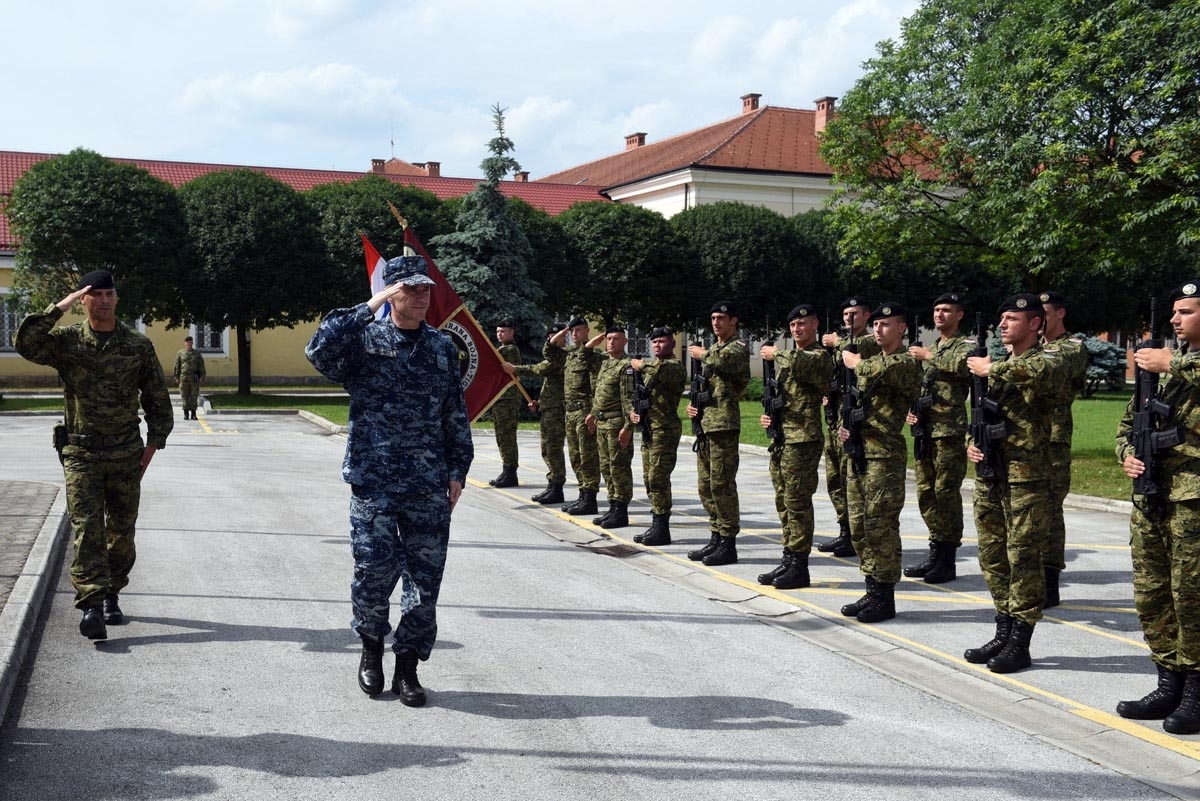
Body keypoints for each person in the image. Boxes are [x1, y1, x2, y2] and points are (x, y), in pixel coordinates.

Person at [305, 255, 473, 706]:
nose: (421, 297)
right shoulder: (364, 342)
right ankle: (371, 649)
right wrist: (370, 304)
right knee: (373, 574)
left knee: (424, 581)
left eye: (426, 290)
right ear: (392, 292)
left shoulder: (441, 348)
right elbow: (318, 349)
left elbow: (454, 414)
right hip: (374, 481)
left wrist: (458, 469)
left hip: (426, 484)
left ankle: (408, 668)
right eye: (411, 289)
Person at [14, 269, 173, 641]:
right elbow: (26, 343)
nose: (103, 300)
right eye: (95, 294)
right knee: (87, 529)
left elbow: (156, 399)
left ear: (117, 299)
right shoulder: (67, 342)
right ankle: (90, 605)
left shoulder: (136, 345)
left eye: (109, 294)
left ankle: (111, 591)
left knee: (121, 533)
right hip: (80, 452)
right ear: (84, 300)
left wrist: (152, 447)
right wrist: (60, 305)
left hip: (125, 452)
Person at [1115, 279, 1200, 734]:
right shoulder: (1160, 371)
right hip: (1152, 497)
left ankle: (1195, 692)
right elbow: (1127, 424)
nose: (1174, 319)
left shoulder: (1176, 364)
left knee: (1193, 596)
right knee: (1153, 594)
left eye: (1185, 311)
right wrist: (1126, 453)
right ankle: (1168, 680)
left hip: (1195, 500)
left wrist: (1176, 362)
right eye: (1174, 312)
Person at [963, 293, 1064, 674]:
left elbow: (1044, 375)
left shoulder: (1049, 359)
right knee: (993, 556)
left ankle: (1021, 642)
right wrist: (972, 443)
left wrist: (992, 371)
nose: (1003, 324)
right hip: (992, 473)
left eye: (1012, 318)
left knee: (1023, 558)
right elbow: (975, 413)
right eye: (1001, 318)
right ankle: (1002, 630)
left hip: (1026, 476)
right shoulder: (1000, 364)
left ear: (1035, 324)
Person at [837, 302, 920, 622]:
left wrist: (856, 363)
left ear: (902, 329)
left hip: (884, 455)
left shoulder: (905, 362)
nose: (878, 329)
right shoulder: (873, 362)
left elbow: (878, 371)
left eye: (887, 325)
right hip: (859, 450)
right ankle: (871, 587)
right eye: (877, 324)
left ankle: (885, 595)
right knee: (859, 526)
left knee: (880, 525)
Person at [757, 305, 835, 589]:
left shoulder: (819, 356)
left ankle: (800, 565)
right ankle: (788, 557)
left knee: (798, 503)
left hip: (803, 439)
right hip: (783, 438)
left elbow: (801, 362)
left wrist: (773, 353)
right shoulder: (791, 360)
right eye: (793, 326)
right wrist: (770, 415)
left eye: (802, 324)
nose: (797, 329)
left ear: (815, 324)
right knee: (784, 501)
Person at [904, 292, 972, 584]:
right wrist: (913, 408)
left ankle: (947, 559)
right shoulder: (933, 346)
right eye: (937, 310)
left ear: (959, 315)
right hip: (926, 430)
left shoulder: (966, 344)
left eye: (946, 310)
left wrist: (929, 356)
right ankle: (935, 550)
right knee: (926, 492)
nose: (940, 315)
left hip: (949, 431)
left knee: (945, 492)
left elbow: (963, 366)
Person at [686, 301, 750, 566]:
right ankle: (715, 535)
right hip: (706, 423)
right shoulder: (712, 349)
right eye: (713, 318)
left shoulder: (738, 347)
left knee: (722, 485)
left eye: (721, 318)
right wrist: (694, 405)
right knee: (706, 485)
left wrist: (702, 354)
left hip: (724, 424)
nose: (716, 323)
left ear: (733, 321)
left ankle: (728, 542)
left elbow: (726, 362)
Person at [819, 296, 881, 556]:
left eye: (854, 314)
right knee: (834, 478)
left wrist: (835, 342)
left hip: (855, 419)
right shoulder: (841, 344)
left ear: (867, 316)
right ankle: (845, 530)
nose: (848, 318)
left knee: (849, 477)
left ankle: (856, 533)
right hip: (836, 416)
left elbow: (852, 351)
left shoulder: (869, 342)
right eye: (845, 314)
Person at [1040, 291, 1089, 607]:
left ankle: (1050, 580)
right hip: (1022, 441)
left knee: (1049, 512)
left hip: (1053, 440)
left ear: (1060, 313)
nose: (1038, 318)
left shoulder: (1073, 347)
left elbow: (1050, 369)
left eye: (1043, 312)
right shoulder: (1031, 350)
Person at [630, 327, 687, 546]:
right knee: (648, 478)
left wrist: (639, 365)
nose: (657, 345)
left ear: (672, 344)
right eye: (654, 342)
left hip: (665, 429)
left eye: (662, 342)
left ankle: (662, 528)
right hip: (649, 428)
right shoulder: (653, 367)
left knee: (658, 478)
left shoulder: (673, 366)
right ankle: (656, 523)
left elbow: (657, 371)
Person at [504, 323, 568, 504]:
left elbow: (536, 369)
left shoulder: (560, 358)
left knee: (553, 449)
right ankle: (553, 485)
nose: (552, 340)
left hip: (557, 411)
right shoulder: (556, 359)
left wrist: (515, 369)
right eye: (550, 337)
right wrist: (540, 402)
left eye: (557, 338)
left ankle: (556, 488)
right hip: (549, 408)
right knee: (547, 449)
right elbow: (552, 387)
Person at [586, 326, 635, 528]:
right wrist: (593, 414)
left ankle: (621, 511)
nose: (611, 342)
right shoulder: (606, 364)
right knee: (606, 467)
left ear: (625, 342)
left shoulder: (626, 366)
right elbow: (600, 394)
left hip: (616, 424)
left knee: (619, 468)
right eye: (608, 339)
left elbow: (628, 399)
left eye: (616, 339)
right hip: (602, 423)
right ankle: (613, 507)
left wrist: (628, 427)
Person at [561, 316, 605, 516]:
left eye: (579, 330)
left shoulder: (594, 357)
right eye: (572, 331)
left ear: (587, 331)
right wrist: (563, 331)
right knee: (575, 456)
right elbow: (549, 350)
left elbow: (597, 386)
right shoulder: (570, 355)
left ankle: (590, 498)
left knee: (588, 456)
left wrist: (593, 413)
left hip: (584, 410)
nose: (575, 334)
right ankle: (582, 494)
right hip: (570, 412)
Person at [488, 319, 522, 488]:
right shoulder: (502, 349)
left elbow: (492, 360)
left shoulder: (510, 350)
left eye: (503, 331)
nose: (500, 334)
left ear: (511, 332)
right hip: (500, 399)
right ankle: (506, 469)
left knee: (507, 437)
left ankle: (511, 472)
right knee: (501, 436)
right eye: (498, 331)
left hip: (508, 399)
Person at [172, 335, 207, 420]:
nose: (189, 344)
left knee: (194, 396)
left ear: (192, 343)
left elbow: (201, 366)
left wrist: (202, 376)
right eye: (187, 343)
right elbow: (177, 365)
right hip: (183, 378)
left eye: (190, 343)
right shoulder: (180, 353)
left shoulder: (197, 354)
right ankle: (186, 413)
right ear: (185, 343)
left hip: (194, 378)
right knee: (184, 396)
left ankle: (193, 414)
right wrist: (176, 377)